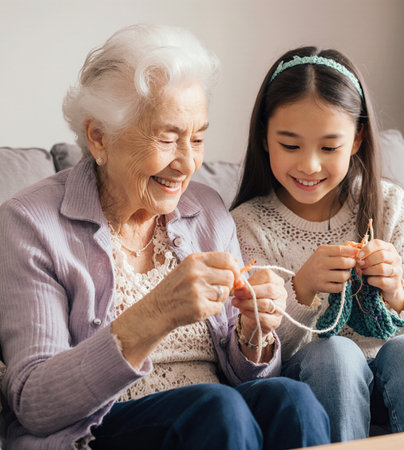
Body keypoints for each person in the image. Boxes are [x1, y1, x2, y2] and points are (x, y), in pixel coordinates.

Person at [0, 27, 331, 450]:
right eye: (168, 137)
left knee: (292, 398)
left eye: (197, 138)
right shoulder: (30, 222)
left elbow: (244, 375)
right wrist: (155, 313)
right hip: (102, 427)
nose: (188, 163)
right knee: (217, 408)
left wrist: (253, 331)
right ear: (99, 136)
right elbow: (35, 402)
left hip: (214, 416)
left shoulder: (207, 210)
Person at [231, 46, 404, 442]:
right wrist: (300, 288)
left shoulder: (387, 204)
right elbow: (254, 353)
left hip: (396, 371)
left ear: (356, 139)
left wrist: (398, 294)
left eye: (329, 147)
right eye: (291, 145)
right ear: (265, 137)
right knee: (335, 353)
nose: (310, 165)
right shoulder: (250, 224)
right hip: (317, 378)